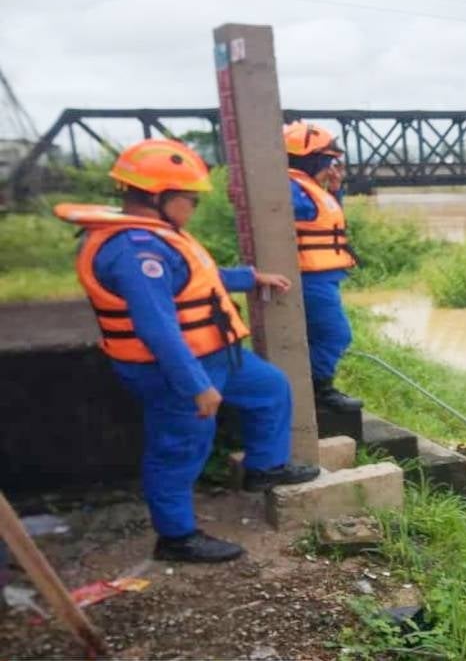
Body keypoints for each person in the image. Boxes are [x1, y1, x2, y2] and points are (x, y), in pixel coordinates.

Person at [55, 139, 320, 563]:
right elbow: (158, 328)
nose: (193, 208)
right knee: (178, 449)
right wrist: (196, 386)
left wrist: (251, 278)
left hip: (218, 355)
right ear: (159, 197)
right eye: (190, 200)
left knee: (270, 388)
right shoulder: (135, 252)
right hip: (174, 369)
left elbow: (199, 278)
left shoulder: (159, 237)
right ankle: (177, 538)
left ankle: (265, 468)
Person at [284, 121, 363, 412]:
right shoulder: (292, 189)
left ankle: (312, 388)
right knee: (335, 334)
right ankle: (320, 391)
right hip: (310, 279)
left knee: (320, 335)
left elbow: (324, 217)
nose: (332, 166)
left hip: (322, 277)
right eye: (330, 160)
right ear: (313, 157)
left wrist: (335, 188)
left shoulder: (306, 188)